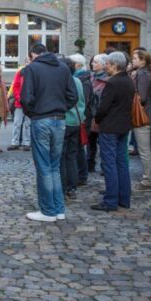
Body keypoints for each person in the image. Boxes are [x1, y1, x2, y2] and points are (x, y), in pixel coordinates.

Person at [20, 44, 78, 222]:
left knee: (44, 166)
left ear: (33, 54)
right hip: (60, 120)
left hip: (41, 120)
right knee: (54, 166)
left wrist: (33, 113)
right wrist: (61, 109)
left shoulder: (32, 68)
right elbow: (73, 96)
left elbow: (25, 97)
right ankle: (58, 209)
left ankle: (48, 210)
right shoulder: (63, 68)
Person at [92, 51, 134, 212]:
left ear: (115, 65)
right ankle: (124, 198)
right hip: (124, 126)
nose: (106, 67)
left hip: (110, 127)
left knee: (109, 164)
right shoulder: (128, 80)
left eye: (108, 64)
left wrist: (97, 118)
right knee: (121, 163)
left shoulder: (113, 82)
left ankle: (110, 200)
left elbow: (103, 107)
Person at [131, 49, 151, 192]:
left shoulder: (143, 75)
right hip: (146, 113)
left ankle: (148, 180)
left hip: (143, 115)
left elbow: (141, 97)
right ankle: (147, 178)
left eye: (135, 58)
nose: (132, 60)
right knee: (145, 148)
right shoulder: (144, 73)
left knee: (144, 149)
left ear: (143, 61)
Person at [60, 57, 86, 199]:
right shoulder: (77, 81)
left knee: (62, 156)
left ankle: (63, 187)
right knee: (72, 156)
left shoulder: (64, 81)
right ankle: (72, 187)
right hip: (77, 121)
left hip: (66, 121)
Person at [68, 53, 92, 185]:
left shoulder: (81, 79)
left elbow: (84, 101)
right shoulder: (80, 78)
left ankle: (82, 175)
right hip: (79, 117)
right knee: (78, 148)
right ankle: (80, 174)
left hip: (79, 118)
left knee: (78, 148)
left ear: (77, 65)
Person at [87, 54, 109, 173]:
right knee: (90, 141)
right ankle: (89, 164)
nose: (92, 64)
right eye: (93, 62)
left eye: (95, 62)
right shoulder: (90, 76)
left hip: (101, 115)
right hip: (90, 113)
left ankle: (104, 167)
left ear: (103, 64)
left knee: (103, 142)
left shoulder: (107, 79)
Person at [7, 59, 31, 151]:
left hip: (29, 104)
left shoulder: (35, 73)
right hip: (19, 103)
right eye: (27, 62)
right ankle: (15, 142)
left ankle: (27, 143)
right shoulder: (20, 72)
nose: (28, 63)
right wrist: (18, 97)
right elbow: (15, 86)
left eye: (30, 62)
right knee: (17, 123)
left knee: (28, 124)